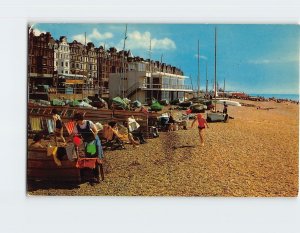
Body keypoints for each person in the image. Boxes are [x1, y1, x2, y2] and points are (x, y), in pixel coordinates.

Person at [70, 112, 104, 183]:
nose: (75, 122)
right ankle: (88, 176)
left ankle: (96, 177)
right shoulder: (77, 126)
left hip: (92, 142)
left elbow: (95, 131)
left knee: (92, 158)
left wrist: (91, 140)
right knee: (84, 158)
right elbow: (73, 135)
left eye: (76, 120)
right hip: (84, 142)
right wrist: (74, 140)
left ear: (79, 119)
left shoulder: (89, 123)